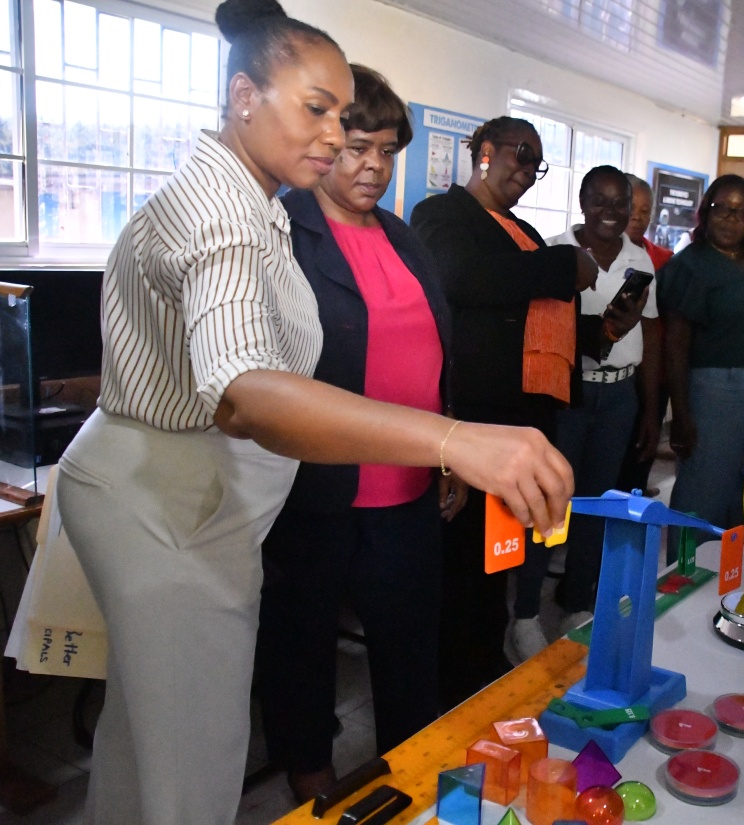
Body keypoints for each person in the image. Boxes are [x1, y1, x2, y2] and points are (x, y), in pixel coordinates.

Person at [52, 4, 572, 822]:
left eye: (348, 118)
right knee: (192, 763)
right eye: (317, 109)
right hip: (163, 496)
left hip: (189, 489)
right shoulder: (223, 210)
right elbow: (243, 391)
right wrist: (452, 437)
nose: (335, 137)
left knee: (146, 743)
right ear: (244, 97)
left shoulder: (256, 200)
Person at [254, 65, 463, 802]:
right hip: (318, 492)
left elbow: (437, 350)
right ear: (323, 146)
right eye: (356, 148)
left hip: (408, 489)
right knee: (302, 645)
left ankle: (414, 772)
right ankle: (310, 778)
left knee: (409, 647)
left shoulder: (405, 237)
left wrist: (450, 452)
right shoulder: (286, 231)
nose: (373, 165)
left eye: (386, 150)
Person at [411, 118, 643, 698]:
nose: (526, 171)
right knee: (463, 562)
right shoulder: (441, 216)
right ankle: (453, 681)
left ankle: (486, 661)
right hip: (474, 419)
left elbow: (537, 319)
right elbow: (463, 277)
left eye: (536, 163)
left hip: (523, 420)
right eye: (521, 155)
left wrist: (601, 331)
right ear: (483, 153)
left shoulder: (523, 230)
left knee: (499, 556)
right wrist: (568, 266)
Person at [546, 166, 657, 632]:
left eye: (621, 204)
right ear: (582, 200)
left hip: (619, 397)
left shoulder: (643, 261)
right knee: (552, 499)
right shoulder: (555, 250)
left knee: (595, 502)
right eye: (600, 200)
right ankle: (526, 610)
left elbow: (649, 332)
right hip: (568, 393)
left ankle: (577, 600)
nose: (610, 212)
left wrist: (651, 410)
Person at [658, 174, 744, 534]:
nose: (731, 219)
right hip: (715, 390)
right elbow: (675, 347)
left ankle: (734, 575)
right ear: (705, 213)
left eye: (740, 211)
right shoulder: (690, 267)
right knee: (705, 488)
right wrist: (681, 415)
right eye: (722, 210)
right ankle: (688, 574)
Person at [616, 173, 672, 495]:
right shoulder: (590, 253)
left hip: (651, 375)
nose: (638, 217)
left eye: (645, 210)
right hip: (609, 376)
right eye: (631, 207)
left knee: (639, 454)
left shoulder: (663, 261)